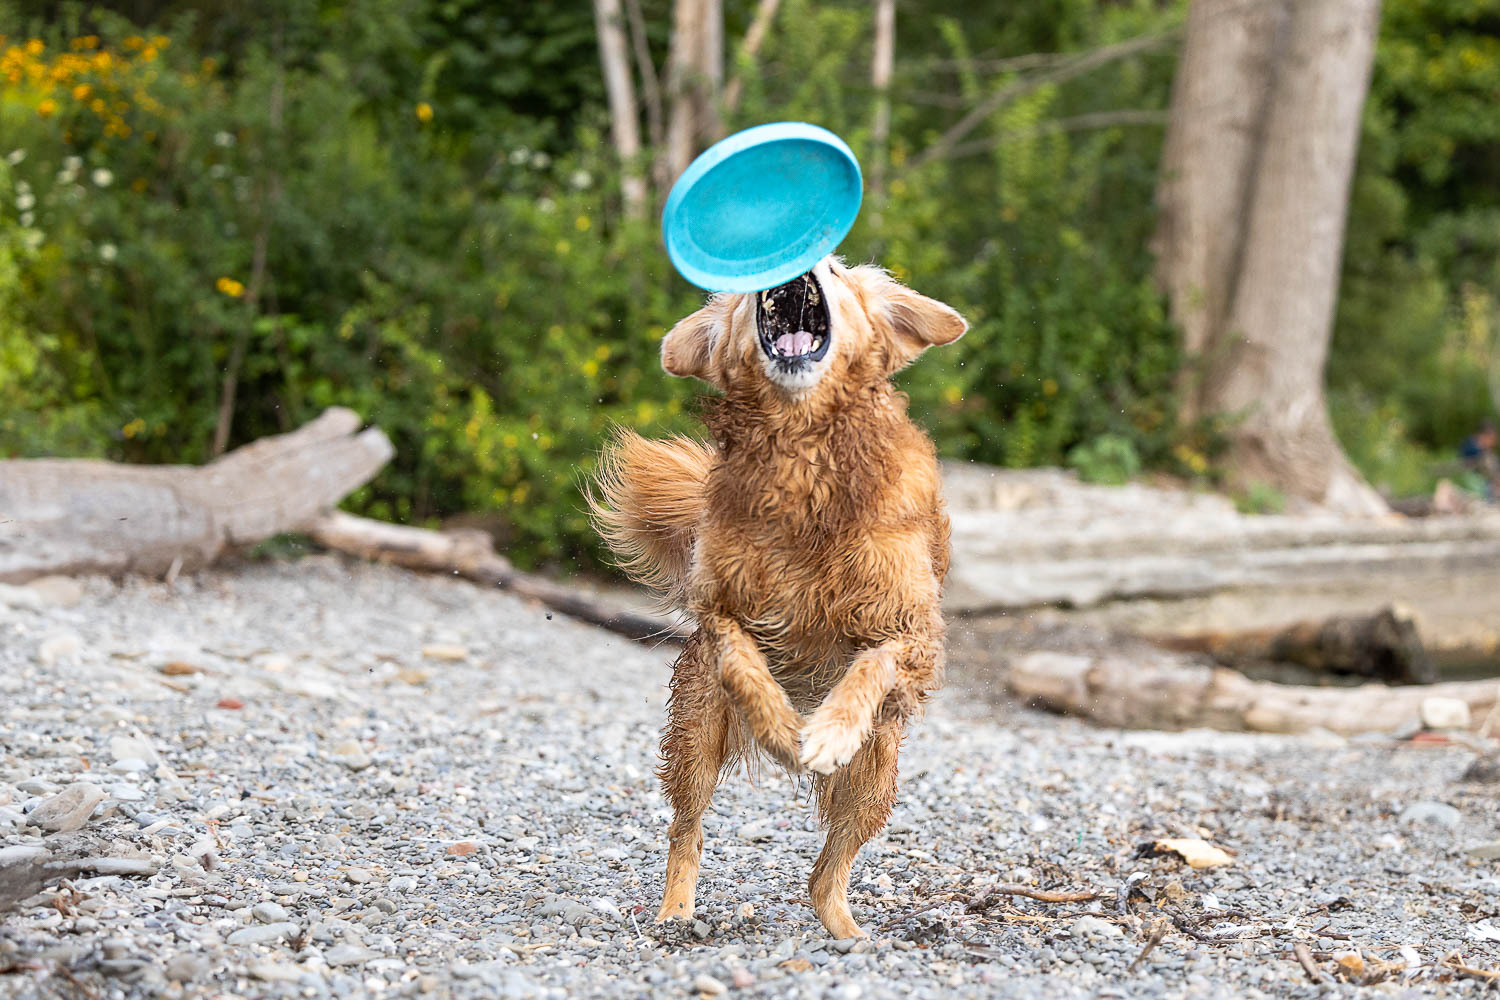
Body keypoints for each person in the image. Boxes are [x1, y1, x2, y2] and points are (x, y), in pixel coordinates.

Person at [1459, 420, 1500, 500]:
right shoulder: (1471, 447)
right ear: (1484, 436)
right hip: (1474, 480)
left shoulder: (1487, 451)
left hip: (1485, 481)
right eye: (1491, 439)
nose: (1493, 443)